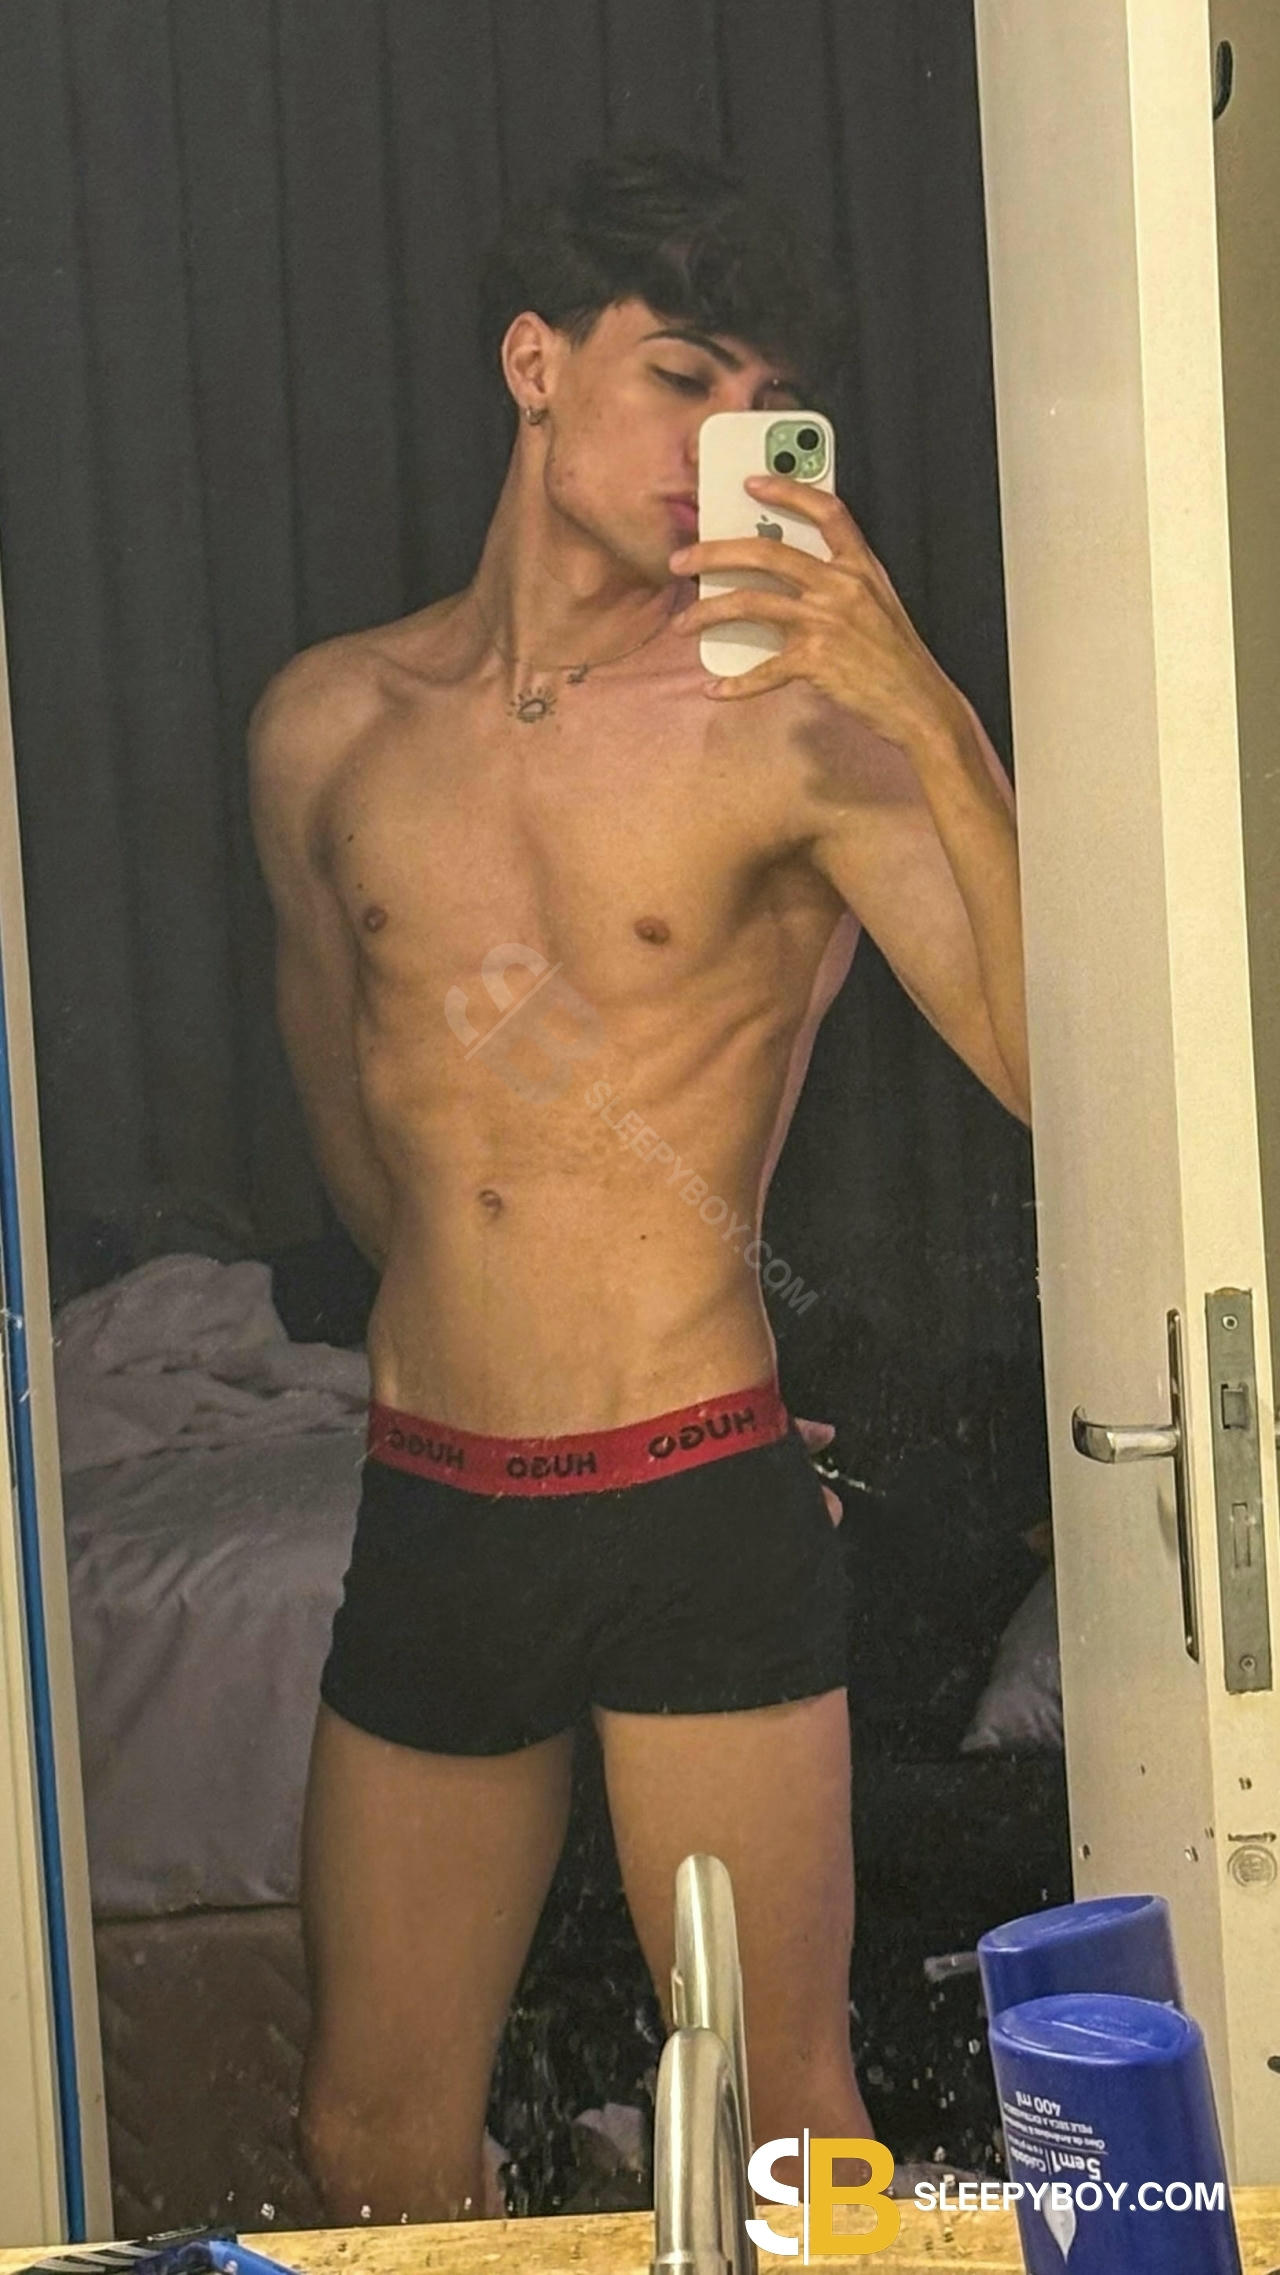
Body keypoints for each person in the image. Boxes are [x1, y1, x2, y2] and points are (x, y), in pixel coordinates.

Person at [247, 143, 1030, 2226]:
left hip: (693, 1490)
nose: (717, 446)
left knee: (786, 2114)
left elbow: (1068, 1075)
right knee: (367, 2139)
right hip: (438, 1498)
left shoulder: (799, 736)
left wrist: (917, 693)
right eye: (680, 376)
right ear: (533, 362)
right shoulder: (329, 729)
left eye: (761, 406)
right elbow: (358, 1123)